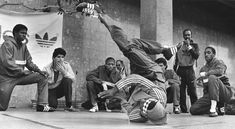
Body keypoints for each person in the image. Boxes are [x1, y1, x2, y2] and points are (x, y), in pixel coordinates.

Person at [75, 2, 179, 124]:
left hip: (139, 81)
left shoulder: (138, 116)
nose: (146, 102)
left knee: (133, 43)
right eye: (150, 102)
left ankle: (164, 50)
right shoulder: (159, 97)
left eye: (146, 106)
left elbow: (130, 111)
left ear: (145, 114)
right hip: (151, 73)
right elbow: (136, 78)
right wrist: (114, 90)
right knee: (127, 46)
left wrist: (119, 96)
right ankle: (100, 13)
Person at [0, 24, 54, 112]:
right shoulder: (7, 44)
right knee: (2, 107)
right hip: (7, 78)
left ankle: (42, 105)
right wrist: (22, 71)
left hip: (20, 76)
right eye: (22, 33)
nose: (24, 35)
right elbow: (7, 63)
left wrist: (39, 70)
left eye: (25, 33)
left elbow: (29, 62)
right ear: (15, 33)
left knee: (42, 77)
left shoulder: (24, 46)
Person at [190, 46, 235, 117]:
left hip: (224, 92)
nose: (206, 55)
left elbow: (220, 71)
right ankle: (217, 106)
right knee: (193, 109)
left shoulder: (219, 62)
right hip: (211, 94)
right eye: (205, 53)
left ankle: (213, 110)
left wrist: (207, 74)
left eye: (208, 53)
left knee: (212, 77)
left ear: (214, 54)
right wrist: (200, 82)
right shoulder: (203, 69)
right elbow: (205, 87)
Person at [173, 29, 200, 113]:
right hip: (181, 69)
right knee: (181, 92)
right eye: (185, 35)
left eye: (188, 35)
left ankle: (195, 109)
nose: (187, 36)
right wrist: (175, 71)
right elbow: (176, 60)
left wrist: (189, 47)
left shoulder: (195, 45)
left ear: (191, 36)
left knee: (192, 90)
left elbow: (196, 56)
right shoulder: (179, 45)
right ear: (183, 36)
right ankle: (184, 110)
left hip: (190, 69)